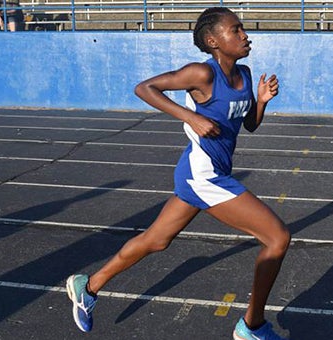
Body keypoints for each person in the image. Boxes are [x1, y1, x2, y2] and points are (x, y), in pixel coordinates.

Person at [66, 7, 290, 340]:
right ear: (213, 41)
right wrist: (190, 116)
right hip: (202, 175)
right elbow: (145, 88)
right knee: (277, 238)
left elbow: (250, 126)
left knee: (156, 240)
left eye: (243, 29)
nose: (245, 35)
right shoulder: (202, 74)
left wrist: (261, 101)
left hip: (211, 173)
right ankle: (251, 326)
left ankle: (89, 286)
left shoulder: (244, 74)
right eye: (236, 30)